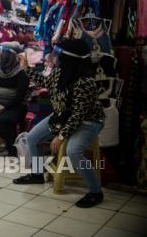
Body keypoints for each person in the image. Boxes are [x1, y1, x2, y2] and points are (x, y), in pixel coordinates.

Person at [14, 39, 105, 208]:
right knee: (32, 138)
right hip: (62, 116)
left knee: (73, 151)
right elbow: (45, 82)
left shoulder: (85, 82)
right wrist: (26, 67)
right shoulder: (61, 72)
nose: (53, 57)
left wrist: (61, 136)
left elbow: (79, 114)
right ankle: (36, 174)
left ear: (68, 58)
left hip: (88, 121)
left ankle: (95, 191)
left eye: (58, 54)